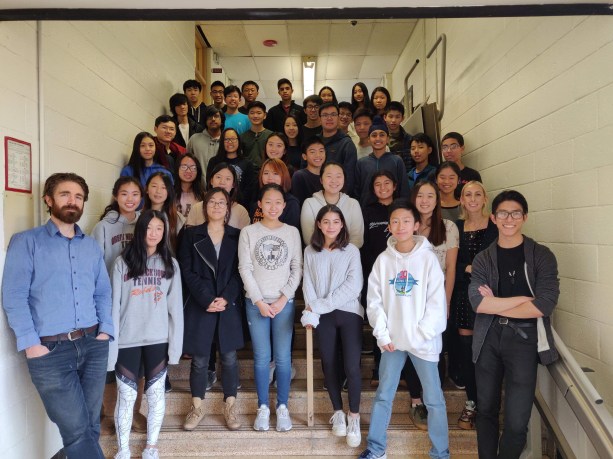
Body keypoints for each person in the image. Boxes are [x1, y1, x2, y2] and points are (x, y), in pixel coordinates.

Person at [2, 172, 112, 459]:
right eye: (65, 194)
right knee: (77, 430)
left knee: (89, 427)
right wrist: (31, 345)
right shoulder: (26, 242)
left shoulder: (90, 247)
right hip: (49, 351)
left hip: (93, 344)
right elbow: (14, 296)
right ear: (48, 199)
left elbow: (103, 292)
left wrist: (105, 332)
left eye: (78, 196)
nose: (72, 201)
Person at [469, 190, 559, 459]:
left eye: (515, 213)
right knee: (485, 409)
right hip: (488, 336)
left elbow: (544, 304)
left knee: (518, 420)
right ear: (493, 218)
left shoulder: (541, 255)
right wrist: (522, 299)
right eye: (503, 213)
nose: (509, 218)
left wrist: (498, 301)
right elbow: (479, 304)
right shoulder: (484, 258)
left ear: (525, 217)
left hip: (525, 340)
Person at [360, 199, 449, 459]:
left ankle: (440, 453)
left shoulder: (428, 260)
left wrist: (421, 334)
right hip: (392, 342)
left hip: (423, 342)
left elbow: (436, 302)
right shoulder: (383, 261)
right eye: (395, 221)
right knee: (383, 396)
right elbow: (374, 301)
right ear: (389, 226)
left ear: (416, 225)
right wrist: (383, 334)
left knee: (433, 400)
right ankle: (376, 449)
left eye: (406, 221)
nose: (400, 226)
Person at [109, 209, 183, 459]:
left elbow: (176, 310)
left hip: (158, 339)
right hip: (127, 340)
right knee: (127, 396)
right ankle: (123, 450)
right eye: (149, 228)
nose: (154, 233)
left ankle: (151, 446)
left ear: (165, 233)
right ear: (140, 230)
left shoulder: (171, 264)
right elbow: (113, 308)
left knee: (154, 394)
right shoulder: (122, 263)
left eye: (159, 229)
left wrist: (175, 348)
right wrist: (112, 347)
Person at [238, 183, 303, 432]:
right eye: (268, 202)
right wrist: (258, 301)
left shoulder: (292, 232)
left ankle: (283, 407)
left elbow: (297, 268)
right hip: (255, 304)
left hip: (283, 303)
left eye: (278, 202)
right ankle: (263, 407)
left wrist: (282, 298)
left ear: (284, 206)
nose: (273, 206)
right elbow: (245, 268)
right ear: (260, 205)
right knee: (262, 357)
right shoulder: (249, 232)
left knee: (284, 358)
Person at [179, 188, 245, 432]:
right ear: (204, 206)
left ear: (228, 207)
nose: (217, 206)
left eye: (222, 202)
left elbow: (241, 270)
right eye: (212, 202)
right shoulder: (190, 235)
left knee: (229, 357)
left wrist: (226, 297)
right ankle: (196, 407)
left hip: (228, 304)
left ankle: (230, 406)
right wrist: (207, 298)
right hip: (200, 304)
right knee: (199, 360)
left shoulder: (238, 236)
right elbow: (187, 271)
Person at [301, 205, 363, 448]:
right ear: (318, 224)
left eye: (336, 222)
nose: (331, 226)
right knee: (328, 363)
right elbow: (308, 284)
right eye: (326, 221)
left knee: (352, 366)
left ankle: (354, 416)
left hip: (349, 313)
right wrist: (313, 308)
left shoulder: (351, 251)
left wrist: (321, 305)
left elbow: (354, 285)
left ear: (342, 225)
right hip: (322, 316)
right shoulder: (310, 251)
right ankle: (337, 411)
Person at [91, 176, 147, 433]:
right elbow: (94, 265)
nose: (130, 199)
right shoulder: (103, 227)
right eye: (124, 194)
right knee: (110, 360)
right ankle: (110, 414)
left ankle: (134, 412)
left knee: (138, 360)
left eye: (135, 194)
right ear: (116, 196)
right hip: (111, 302)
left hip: (140, 302)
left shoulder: (146, 223)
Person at [402, 180, 458, 429]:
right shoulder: (407, 227)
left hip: (436, 301)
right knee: (411, 350)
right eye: (420, 196)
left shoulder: (448, 227)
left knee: (436, 350)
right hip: (410, 300)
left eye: (430, 196)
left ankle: (434, 399)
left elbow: (451, 268)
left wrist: (445, 302)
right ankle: (416, 402)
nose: (424, 200)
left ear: (437, 200)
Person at [451, 181, 498, 431]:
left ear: (485, 198)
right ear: (461, 199)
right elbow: (451, 264)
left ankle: (488, 406)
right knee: (468, 355)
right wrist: (467, 269)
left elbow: (498, 262)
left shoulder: (495, 225)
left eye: (477, 194)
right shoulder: (455, 228)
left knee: (487, 355)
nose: (472, 198)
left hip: (489, 297)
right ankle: (472, 402)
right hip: (462, 297)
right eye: (467, 194)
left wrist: (473, 270)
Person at [360, 171, 397, 386]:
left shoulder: (402, 207)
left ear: (394, 185)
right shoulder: (368, 212)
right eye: (378, 184)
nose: (383, 187)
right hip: (375, 275)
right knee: (379, 322)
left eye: (387, 183)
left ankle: (400, 371)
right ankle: (379, 369)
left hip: (400, 276)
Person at [301, 161, 363, 247]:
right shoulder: (309, 203)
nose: (334, 180)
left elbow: (357, 240)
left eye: (338, 176)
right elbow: (309, 239)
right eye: (329, 176)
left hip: (347, 257)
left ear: (344, 179)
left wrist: (341, 255)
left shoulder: (353, 204)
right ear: (321, 180)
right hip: (319, 256)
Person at [354, 116, 408, 206]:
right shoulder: (361, 163)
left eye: (382, 135)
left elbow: (404, 190)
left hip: (393, 212)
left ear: (387, 139)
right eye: (374, 135)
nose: (378, 138)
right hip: (367, 213)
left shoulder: (397, 161)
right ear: (369, 139)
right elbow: (357, 192)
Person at [186, 162, 251, 230]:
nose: (222, 182)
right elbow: (190, 237)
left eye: (228, 179)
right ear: (211, 181)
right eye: (218, 177)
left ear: (233, 184)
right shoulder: (197, 208)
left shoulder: (241, 211)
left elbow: (245, 238)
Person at [206, 128, 257, 209]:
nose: (230, 142)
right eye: (226, 139)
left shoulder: (247, 163)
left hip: (239, 206)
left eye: (233, 139)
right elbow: (209, 184)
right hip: (216, 205)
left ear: (239, 141)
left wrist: (236, 204)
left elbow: (249, 189)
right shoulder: (214, 161)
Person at [318, 102, 358, 196]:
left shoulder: (347, 144)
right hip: (315, 197)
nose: (329, 118)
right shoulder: (313, 143)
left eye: (333, 114)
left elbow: (349, 179)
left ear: (338, 117)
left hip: (338, 199)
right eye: (325, 115)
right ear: (319, 119)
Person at [250, 158, 300, 230]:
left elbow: (291, 234)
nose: (270, 178)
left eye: (275, 173)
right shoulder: (257, 200)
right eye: (266, 173)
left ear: (284, 176)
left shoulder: (291, 203)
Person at [143, 172, 185, 253]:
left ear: (169, 192)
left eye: (164, 187)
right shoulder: (138, 216)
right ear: (147, 189)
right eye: (154, 186)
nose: (158, 191)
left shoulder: (178, 219)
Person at [441, 132, 481, 197]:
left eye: (453, 146)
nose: (448, 150)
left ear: (462, 149)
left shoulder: (473, 175)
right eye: (445, 147)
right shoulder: (438, 175)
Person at [187, 105, 223, 174]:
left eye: (216, 116)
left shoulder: (226, 141)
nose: (213, 119)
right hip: (199, 184)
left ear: (222, 120)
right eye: (209, 116)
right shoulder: (194, 139)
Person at [291, 136, 325, 206]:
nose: (318, 155)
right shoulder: (299, 176)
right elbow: (298, 204)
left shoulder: (328, 175)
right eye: (312, 152)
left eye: (321, 151)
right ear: (304, 156)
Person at [241, 101, 272, 167]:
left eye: (259, 113)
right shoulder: (242, 137)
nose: (255, 116)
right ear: (248, 116)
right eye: (252, 113)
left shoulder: (271, 136)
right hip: (248, 172)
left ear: (265, 115)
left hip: (266, 171)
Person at [384, 101, 413, 172]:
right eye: (390, 116)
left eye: (397, 117)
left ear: (402, 118)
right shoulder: (380, 140)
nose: (393, 120)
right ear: (385, 117)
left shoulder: (410, 139)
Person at [175, 153, 205, 219]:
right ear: (177, 169)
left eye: (193, 168)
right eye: (184, 167)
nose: (188, 171)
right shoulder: (169, 193)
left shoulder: (203, 195)